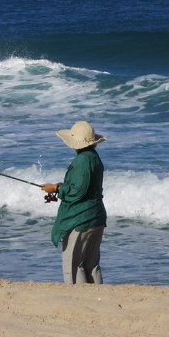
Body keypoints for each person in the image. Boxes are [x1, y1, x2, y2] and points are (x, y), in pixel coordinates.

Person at [41, 121, 107, 284]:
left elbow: (77, 191)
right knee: (91, 265)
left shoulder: (82, 160)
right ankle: (99, 298)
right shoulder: (94, 157)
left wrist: (57, 190)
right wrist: (59, 186)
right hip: (96, 217)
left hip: (80, 219)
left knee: (74, 265)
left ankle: (80, 300)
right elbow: (85, 186)